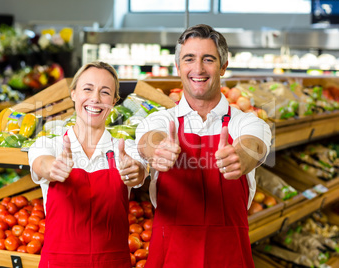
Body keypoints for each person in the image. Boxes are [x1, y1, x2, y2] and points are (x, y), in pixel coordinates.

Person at [135, 24, 272, 268]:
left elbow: (254, 145)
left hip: (228, 255)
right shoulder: (160, 120)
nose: (198, 69)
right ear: (178, 68)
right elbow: (148, 139)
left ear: (223, 67)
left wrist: (238, 157)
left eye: (208, 59)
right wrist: (158, 150)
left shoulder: (247, 122)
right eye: (189, 59)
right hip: (171, 256)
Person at [28, 61, 147, 268]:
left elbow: (138, 171)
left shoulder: (126, 148)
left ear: (114, 101)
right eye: (87, 89)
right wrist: (54, 167)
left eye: (105, 92)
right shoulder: (49, 144)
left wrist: (136, 171)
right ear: (73, 93)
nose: (95, 99)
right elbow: (41, 163)